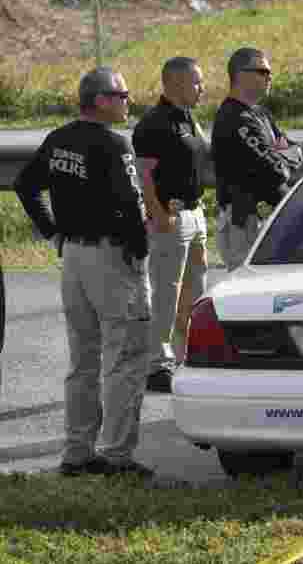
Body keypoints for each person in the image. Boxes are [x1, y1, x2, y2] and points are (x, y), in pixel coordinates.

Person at [14, 67, 153, 477]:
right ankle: (115, 455)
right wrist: (140, 255)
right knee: (126, 356)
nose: (128, 102)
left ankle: (77, 452)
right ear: (102, 100)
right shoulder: (115, 143)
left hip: (73, 256)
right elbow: (131, 205)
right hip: (112, 258)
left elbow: (25, 184)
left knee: (84, 358)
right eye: (123, 95)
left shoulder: (60, 138)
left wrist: (53, 233)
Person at [132, 57, 210, 393]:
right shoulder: (154, 123)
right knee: (166, 289)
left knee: (194, 287)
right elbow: (143, 173)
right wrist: (158, 213)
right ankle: (157, 364)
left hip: (195, 213)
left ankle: (186, 355)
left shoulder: (188, 118)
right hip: (170, 217)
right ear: (176, 84)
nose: (202, 88)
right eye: (197, 82)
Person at [211, 48, 303, 271]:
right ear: (241, 75)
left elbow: (297, 151)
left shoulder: (259, 113)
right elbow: (276, 172)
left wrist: (280, 154)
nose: (269, 76)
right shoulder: (235, 118)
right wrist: (280, 154)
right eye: (262, 71)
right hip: (245, 221)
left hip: (267, 218)